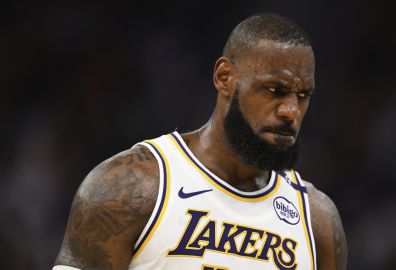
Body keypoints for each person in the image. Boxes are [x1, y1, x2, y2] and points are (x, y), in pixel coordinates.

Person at [54, 13, 347, 270]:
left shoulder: (318, 221)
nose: (291, 111)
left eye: (303, 95)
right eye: (274, 89)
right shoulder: (130, 188)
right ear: (224, 78)